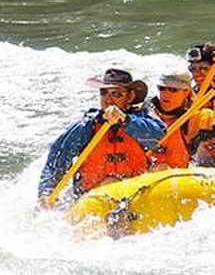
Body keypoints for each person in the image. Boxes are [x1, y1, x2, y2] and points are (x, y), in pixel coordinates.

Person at [37, 68, 165, 204]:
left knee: (161, 168)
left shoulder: (141, 120)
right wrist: (46, 192)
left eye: (116, 94)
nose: (108, 100)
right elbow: (57, 161)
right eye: (104, 93)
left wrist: (126, 121)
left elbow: (158, 139)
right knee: (111, 182)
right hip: (93, 198)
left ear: (130, 97)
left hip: (135, 193)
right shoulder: (86, 126)